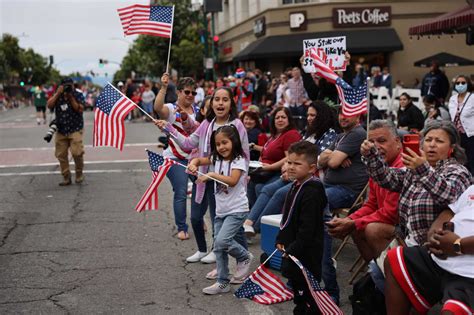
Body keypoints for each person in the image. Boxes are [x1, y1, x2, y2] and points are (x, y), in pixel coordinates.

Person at [155, 87, 249, 273]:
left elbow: (244, 154)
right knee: (218, 222)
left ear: (231, 103)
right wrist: (168, 128)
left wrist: (239, 178)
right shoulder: (207, 124)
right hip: (208, 179)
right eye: (217, 99)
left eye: (225, 100)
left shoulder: (237, 124)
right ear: (211, 103)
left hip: (230, 181)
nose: (220, 103)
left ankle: (241, 262)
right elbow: (188, 144)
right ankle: (222, 266)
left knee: (231, 226)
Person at [360, 120, 471, 247]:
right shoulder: (414, 169)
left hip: (437, 244)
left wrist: (422, 170)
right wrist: (371, 155)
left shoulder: (458, 171)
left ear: (452, 148)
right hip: (407, 236)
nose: (432, 145)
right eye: (428, 140)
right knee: (372, 231)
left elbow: (448, 195)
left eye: (439, 141)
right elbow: (385, 178)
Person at [244, 101, 338, 236]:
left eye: (313, 115)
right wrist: (289, 166)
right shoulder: (309, 133)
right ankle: (248, 224)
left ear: (322, 116)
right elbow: (295, 154)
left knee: (280, 193)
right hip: (293, 171)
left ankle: (258, 227)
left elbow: (317, 160)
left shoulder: (330, 135)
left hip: (310, 177)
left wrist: (288, 168)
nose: (309, 118)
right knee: (265, 188)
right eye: (308, 115)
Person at [384, 185, 474, 315]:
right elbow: (449, 212)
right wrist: (433, 233)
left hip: (468, 274)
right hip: (441, 258)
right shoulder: (472, 189)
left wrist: (458, 245)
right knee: (395, 259)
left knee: (452, 312)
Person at [187, 125, 254, 295]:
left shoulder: (239, 159)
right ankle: (222, 282)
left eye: (225, 142)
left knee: (222, 241)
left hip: (237, 209)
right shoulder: (216, 158)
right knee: (218, 247)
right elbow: (200, 160)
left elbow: (232, 181)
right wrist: (194, 163)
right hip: (221, 211)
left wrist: (211, 175)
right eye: (218, 144)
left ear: (234, 142)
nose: (221, 147)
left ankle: (244, 256)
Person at [328, 120, 403, 261]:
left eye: (382, 141)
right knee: (356, 226)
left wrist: (352, 222)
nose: (376, 147)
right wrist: (350, 220)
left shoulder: (403, 165)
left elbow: (390, 214)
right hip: (387, 220)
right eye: (371, 142)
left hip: (404, 228)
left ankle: (387, 272)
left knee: (371, 229)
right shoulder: (376, 165)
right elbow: (371, 205)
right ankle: (375, 271)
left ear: (397, 142)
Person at [317, 111, 369, 304]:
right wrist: (331, 156)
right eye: (340, 113)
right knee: (295, 195)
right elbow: (320, 159)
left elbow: (331, 161)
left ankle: (329, 285)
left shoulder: (357, 134)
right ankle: (306, 271)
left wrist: (333, 157)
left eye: (348, 114)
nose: (342, 117)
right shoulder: (340, 136)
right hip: (329, 186)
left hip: (348, 192)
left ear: (359, 117)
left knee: (314, 204)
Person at [276, 141, 328, 314]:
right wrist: (281, 239)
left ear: (312, 168)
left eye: (297, 164)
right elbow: (288, 217)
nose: (291, 167)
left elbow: (308, 228)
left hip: (306, 254)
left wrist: (292, 249)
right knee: (298, 292)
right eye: (289, 162)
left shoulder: (312, 191)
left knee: (307, 295)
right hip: (293, 250)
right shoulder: (296, 184)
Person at [153, 73, 199, 240]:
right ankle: (182, 227)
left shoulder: (198, 111)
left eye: (193, 93)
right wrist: (164, 87)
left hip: (194, 159)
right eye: (187, 92)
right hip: (174, 157)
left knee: (200, 190)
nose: (190, 96)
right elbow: (158, 108)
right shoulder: (172, 108)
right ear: (179, 92)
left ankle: (198, 220)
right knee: (180, 191)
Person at [247, 107, 301, 207]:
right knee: (250, 184)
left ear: (289, 120)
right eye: (277, 118)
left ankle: (260, 220)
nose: (280, 120)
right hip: (265, 172)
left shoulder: (291, 134)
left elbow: (289, 158)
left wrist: (269, 167)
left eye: (283, 117)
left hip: (277, 172)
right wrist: (256, 149)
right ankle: (251, 218)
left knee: (260, 188)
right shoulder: (274, 135)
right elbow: (268, 150)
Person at [46, 78, 85, 186]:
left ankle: (79, 174)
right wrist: (57, 94)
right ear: (61, 86)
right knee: (61, 154)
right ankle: (66, 177)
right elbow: (49, 105)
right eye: (65, 86)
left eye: (70, 86)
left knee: (77, 152)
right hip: (61, 129)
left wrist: (71, 97)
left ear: (73, 85)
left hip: (75, 128)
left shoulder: (78, 94)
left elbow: (79, 109)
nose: (68, 88)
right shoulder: (58, 95)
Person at [448, 75, 474, 175]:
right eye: (458, 83)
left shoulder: (472, 97)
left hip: (470, 134)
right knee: (458, 158)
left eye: (463, 83)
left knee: (471, 158)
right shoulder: (452, 98)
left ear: (468, 84)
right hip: (456, 135)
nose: (460, 85)